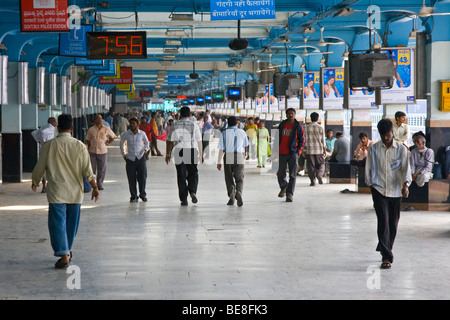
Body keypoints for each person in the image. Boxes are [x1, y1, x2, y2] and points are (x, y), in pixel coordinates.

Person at [31, 114, 99, 269]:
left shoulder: (49, 145)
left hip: (57, 192)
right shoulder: (80, 146)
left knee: (57, 223)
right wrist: (94, 187)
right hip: (75, 192)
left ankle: (64, 253)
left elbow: (40, 165)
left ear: (57, 128)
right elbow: (87, 171)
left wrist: (35, 180)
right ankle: (66, 250)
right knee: (71, 224)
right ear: (72, 128)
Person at [365, 118, 411, 269]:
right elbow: (369, 168)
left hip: (396, 190)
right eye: (382, 135)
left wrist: (406, 185)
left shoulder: (401, 149)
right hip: (379, 189)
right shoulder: (373, 149)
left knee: (393, 223)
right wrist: (370, 184)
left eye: (388, 134)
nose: (385, 137)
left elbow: (406, 169)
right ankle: (387, 256)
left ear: (392, 132)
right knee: (383, 221)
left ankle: (384, 245)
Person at [165, 106, 203, 206]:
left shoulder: (175, 125)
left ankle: (184, 199)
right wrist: (201, 154)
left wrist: (167, 154)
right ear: (190, 115)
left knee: (181, 175)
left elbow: (170, 141)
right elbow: (199, 140)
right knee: (193, 172)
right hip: (191, 151)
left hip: (179, 151)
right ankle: (193, 191)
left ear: (180, 114)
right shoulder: (194, 125)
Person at [217, 116, 249, 207]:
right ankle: (239, 193)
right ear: (237, 123)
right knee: (239, 178)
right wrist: (244, 156)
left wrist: (219, 162)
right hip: (239, 155)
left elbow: (222, 149)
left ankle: (231, 198)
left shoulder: (224, 133)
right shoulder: (242, 132)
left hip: (228, 155)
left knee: (229, 178)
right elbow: (246, 145)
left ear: (228, 123)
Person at [277, 108, 305, 201]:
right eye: (289, 113)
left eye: (292, 113)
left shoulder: (298, 126)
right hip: (282, 152)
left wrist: (298, 150)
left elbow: (302, 140)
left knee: (292, 174)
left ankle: (289, 194)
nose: (290, 115)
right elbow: (277, 137)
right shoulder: (282, 124)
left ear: (295, 114)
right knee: (280, 173)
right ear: (286, 115)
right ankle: (284, 187)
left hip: (293, 153)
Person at [120, 118, 150, 202]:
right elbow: (121, 144)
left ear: (137, 124)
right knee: (131, 178)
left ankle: (142, 195)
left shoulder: (142, 133)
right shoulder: (126, 134)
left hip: (140, 158)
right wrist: (124, 154)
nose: (132, 124)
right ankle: (133, 196)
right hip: (130, 159)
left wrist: (145, 150)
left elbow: (147, 143)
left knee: (142, 177)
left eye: (133, 123)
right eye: (131, 123)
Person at [85, 114, 116, 190]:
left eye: (100, 118)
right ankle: (93, 184)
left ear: (102, 120)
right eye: (97, 118)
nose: (99, 120)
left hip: (102, 151)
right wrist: (87, 151)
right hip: (92, 151)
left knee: (102, 169)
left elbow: (113, 136)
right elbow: (88, 140)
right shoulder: (91, 129)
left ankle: (100, 184)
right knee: (92, 169)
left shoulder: (106, 129)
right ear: (95, 120)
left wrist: (109, 143)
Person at [31, 117, 57, 193]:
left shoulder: (43, 127)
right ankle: (49, 186)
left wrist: (39, 141)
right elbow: (44, 134)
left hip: (42, 150)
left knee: (43, 169)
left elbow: (33, 133)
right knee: (51, 169)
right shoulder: (50, 128)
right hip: (50, 151)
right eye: (55, 122)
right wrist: (44, 141)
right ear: (53, 122)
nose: (56, 124)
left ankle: (44, 187)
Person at [304, 112, 326, 186]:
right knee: (321, 164)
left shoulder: (306, 127)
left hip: (309, 150)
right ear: (317, 118)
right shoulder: (320, 127)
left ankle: (312, 181)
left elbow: (304, 140)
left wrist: (303, 150)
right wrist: (325, 150)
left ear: (311, 118)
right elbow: (323, 140)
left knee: (310, 166)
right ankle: (319, 174)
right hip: (319, 150)